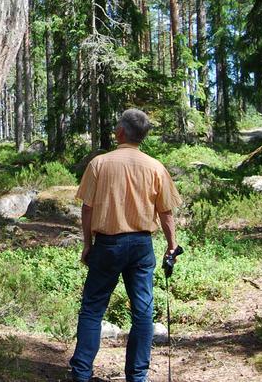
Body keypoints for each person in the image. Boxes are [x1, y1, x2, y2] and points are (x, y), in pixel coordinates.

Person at [67, 108, 181, 382]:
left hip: (107, 244)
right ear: (142, 136)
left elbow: (87, 208)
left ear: (120, 132)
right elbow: (166, 213)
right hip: (142, 246)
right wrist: (171, 246)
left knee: (93, 308)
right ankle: (137, 376)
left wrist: (87, 243)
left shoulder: (99, 164)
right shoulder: (156, 167)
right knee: (143, 312)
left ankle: (81, 374)